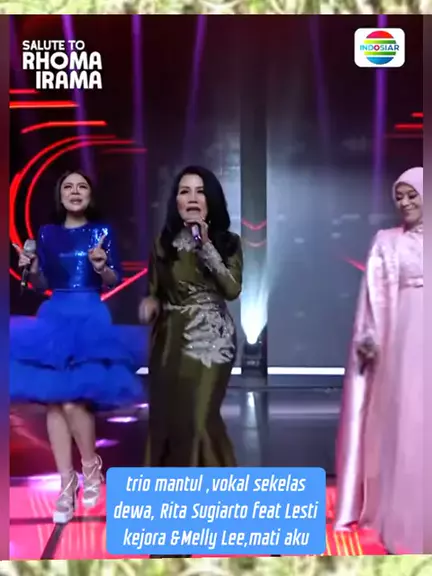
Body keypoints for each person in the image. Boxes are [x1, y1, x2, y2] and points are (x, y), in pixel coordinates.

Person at [10, 170, 143, 524]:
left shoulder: (102, 232)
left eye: (81, 186)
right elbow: (40, 283)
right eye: (68, 186)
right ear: (60, 195)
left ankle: (90, 466)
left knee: (73, 400)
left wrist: (102, 267)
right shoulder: (46, 234)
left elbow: (113, 278)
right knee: (56, 402)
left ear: (90, 195)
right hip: (55, 314)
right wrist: (31, 268)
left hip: (89, 315)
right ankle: (66, 485)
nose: (75, 191)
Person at [335, 167, 425, 553]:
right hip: (405, 338)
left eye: (412, 195)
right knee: (407, 422)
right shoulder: (388, 241)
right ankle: (404, 519)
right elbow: (372, 297)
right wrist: (368, 337)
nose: (404, 203)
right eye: (399, 197)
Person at [139, 165, 242, 467]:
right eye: (185, 192)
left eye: (200, 192)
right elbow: (154, 290)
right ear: (177, 201)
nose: (193, 198)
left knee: (201, 420)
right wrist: (150, 304)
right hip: (169, 339)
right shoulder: (162, 243)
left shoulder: (229, 242)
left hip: (211, 337)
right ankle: (170, 491)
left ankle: (216, 491)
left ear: (211, 200)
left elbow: (232, 289)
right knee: (166, 421)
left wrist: (205, 244)